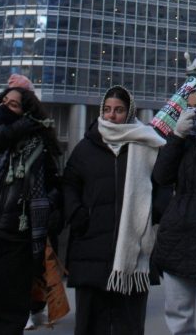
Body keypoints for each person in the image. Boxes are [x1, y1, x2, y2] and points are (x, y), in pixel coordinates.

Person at [63, 85, 165, 335]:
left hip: (134, 252)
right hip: (91, 246)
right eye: (107, 109)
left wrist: (154, 216)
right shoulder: (85, 148)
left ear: (129, 113)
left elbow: (163, 185)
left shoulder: (147, 144)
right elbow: (69, 184)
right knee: (89, 323)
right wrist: (77, 214)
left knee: (128, 324)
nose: (111, 115)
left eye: (119, 110)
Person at [0, 86, 60, 335]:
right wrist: (12, 130)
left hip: (15, 243)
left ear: (27, 113)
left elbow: (54, 185)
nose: (5, 107)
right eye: (3, 101)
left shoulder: (39, 145)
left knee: (8, 318)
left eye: (14, 105)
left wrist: (46, 215)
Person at [153, 85, 196, 335]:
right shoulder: (184, 142)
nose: (194, 113)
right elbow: (161, 176)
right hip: (177, 235)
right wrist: (177, 138)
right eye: (190, 107)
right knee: (178, 314)